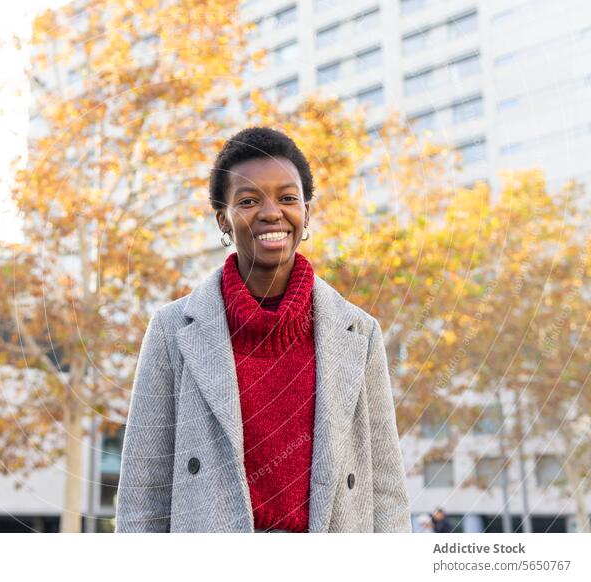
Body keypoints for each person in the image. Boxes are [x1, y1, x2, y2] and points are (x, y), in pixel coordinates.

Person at [115, 127, 411, 533]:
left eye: (288, 198)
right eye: (249, 200)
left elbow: (387, 491)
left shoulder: (359, 333)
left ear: (306, 213)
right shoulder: (172, 331)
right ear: (223, 219)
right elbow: (143, 494)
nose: (272, 212)